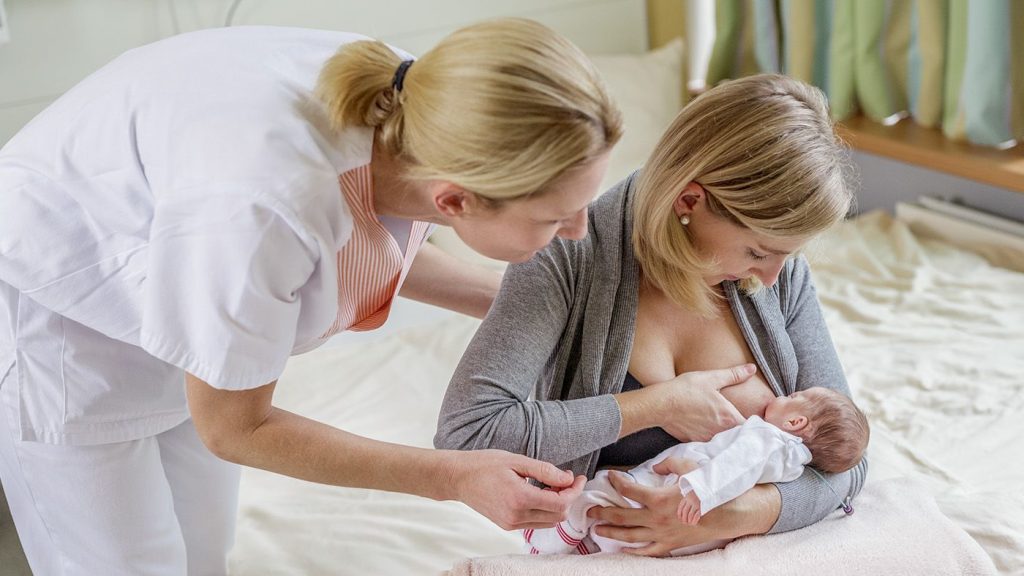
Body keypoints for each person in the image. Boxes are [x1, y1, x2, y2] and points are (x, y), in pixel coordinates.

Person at [0, 18, 636, 575]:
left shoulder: (420, 106)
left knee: (202, 552)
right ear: (455, 200)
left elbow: (365, 239)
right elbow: (235, 426)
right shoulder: (264, 208)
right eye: (556, 219)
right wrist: (451, 477)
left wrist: (537, 310)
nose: (579, 233)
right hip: (63, 333)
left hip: (192, 291)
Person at [435, 73, 868, 557]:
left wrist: (728, 515)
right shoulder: (567, 258)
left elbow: (848, 463)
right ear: (689, 201)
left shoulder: (781, 275)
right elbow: (467, 436)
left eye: (787, 254)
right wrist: (656, 405)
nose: (771, 278)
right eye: (757, 252)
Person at [524, 387, 870, 555]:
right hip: (685, 521)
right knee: (613, 529)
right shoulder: (792, 464)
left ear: (796, 421)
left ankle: (548, 544)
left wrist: (698, 487)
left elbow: (737, 466)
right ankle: (584, 551)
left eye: (795, 394)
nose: (784, 394)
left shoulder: (770, 439)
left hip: (677, 491)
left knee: (598, 494)